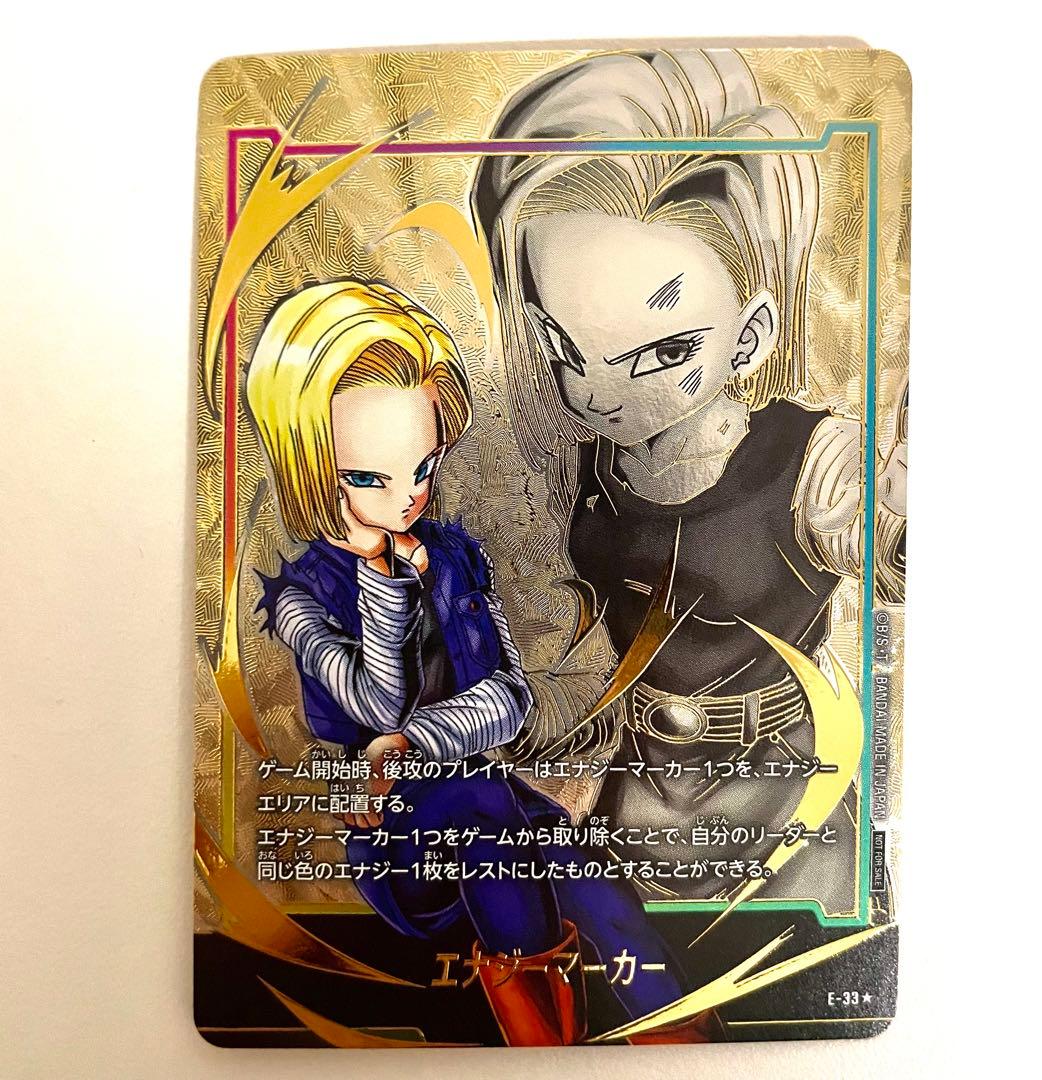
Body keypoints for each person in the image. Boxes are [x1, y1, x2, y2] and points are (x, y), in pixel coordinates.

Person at [472, 49, 907, 905]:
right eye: (565, 350)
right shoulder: (578, 462)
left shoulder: (812, 458)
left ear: (749, 337)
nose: (597, 394)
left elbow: (890, 551)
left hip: (783, 805)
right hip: (626, 800)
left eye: (662, 353)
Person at [245, 278, 712, 1044]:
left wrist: (415, 740)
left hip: (490, 802)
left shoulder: (455, 555)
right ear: (310, 465)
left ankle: (691, 1052)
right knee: (487, 823)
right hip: (402, 842)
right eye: (368, 477)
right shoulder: (302, 600)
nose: (408, 496)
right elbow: (377, 703)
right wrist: (382, 581)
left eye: (423, 467)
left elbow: (507, 699)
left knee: (599, 894)